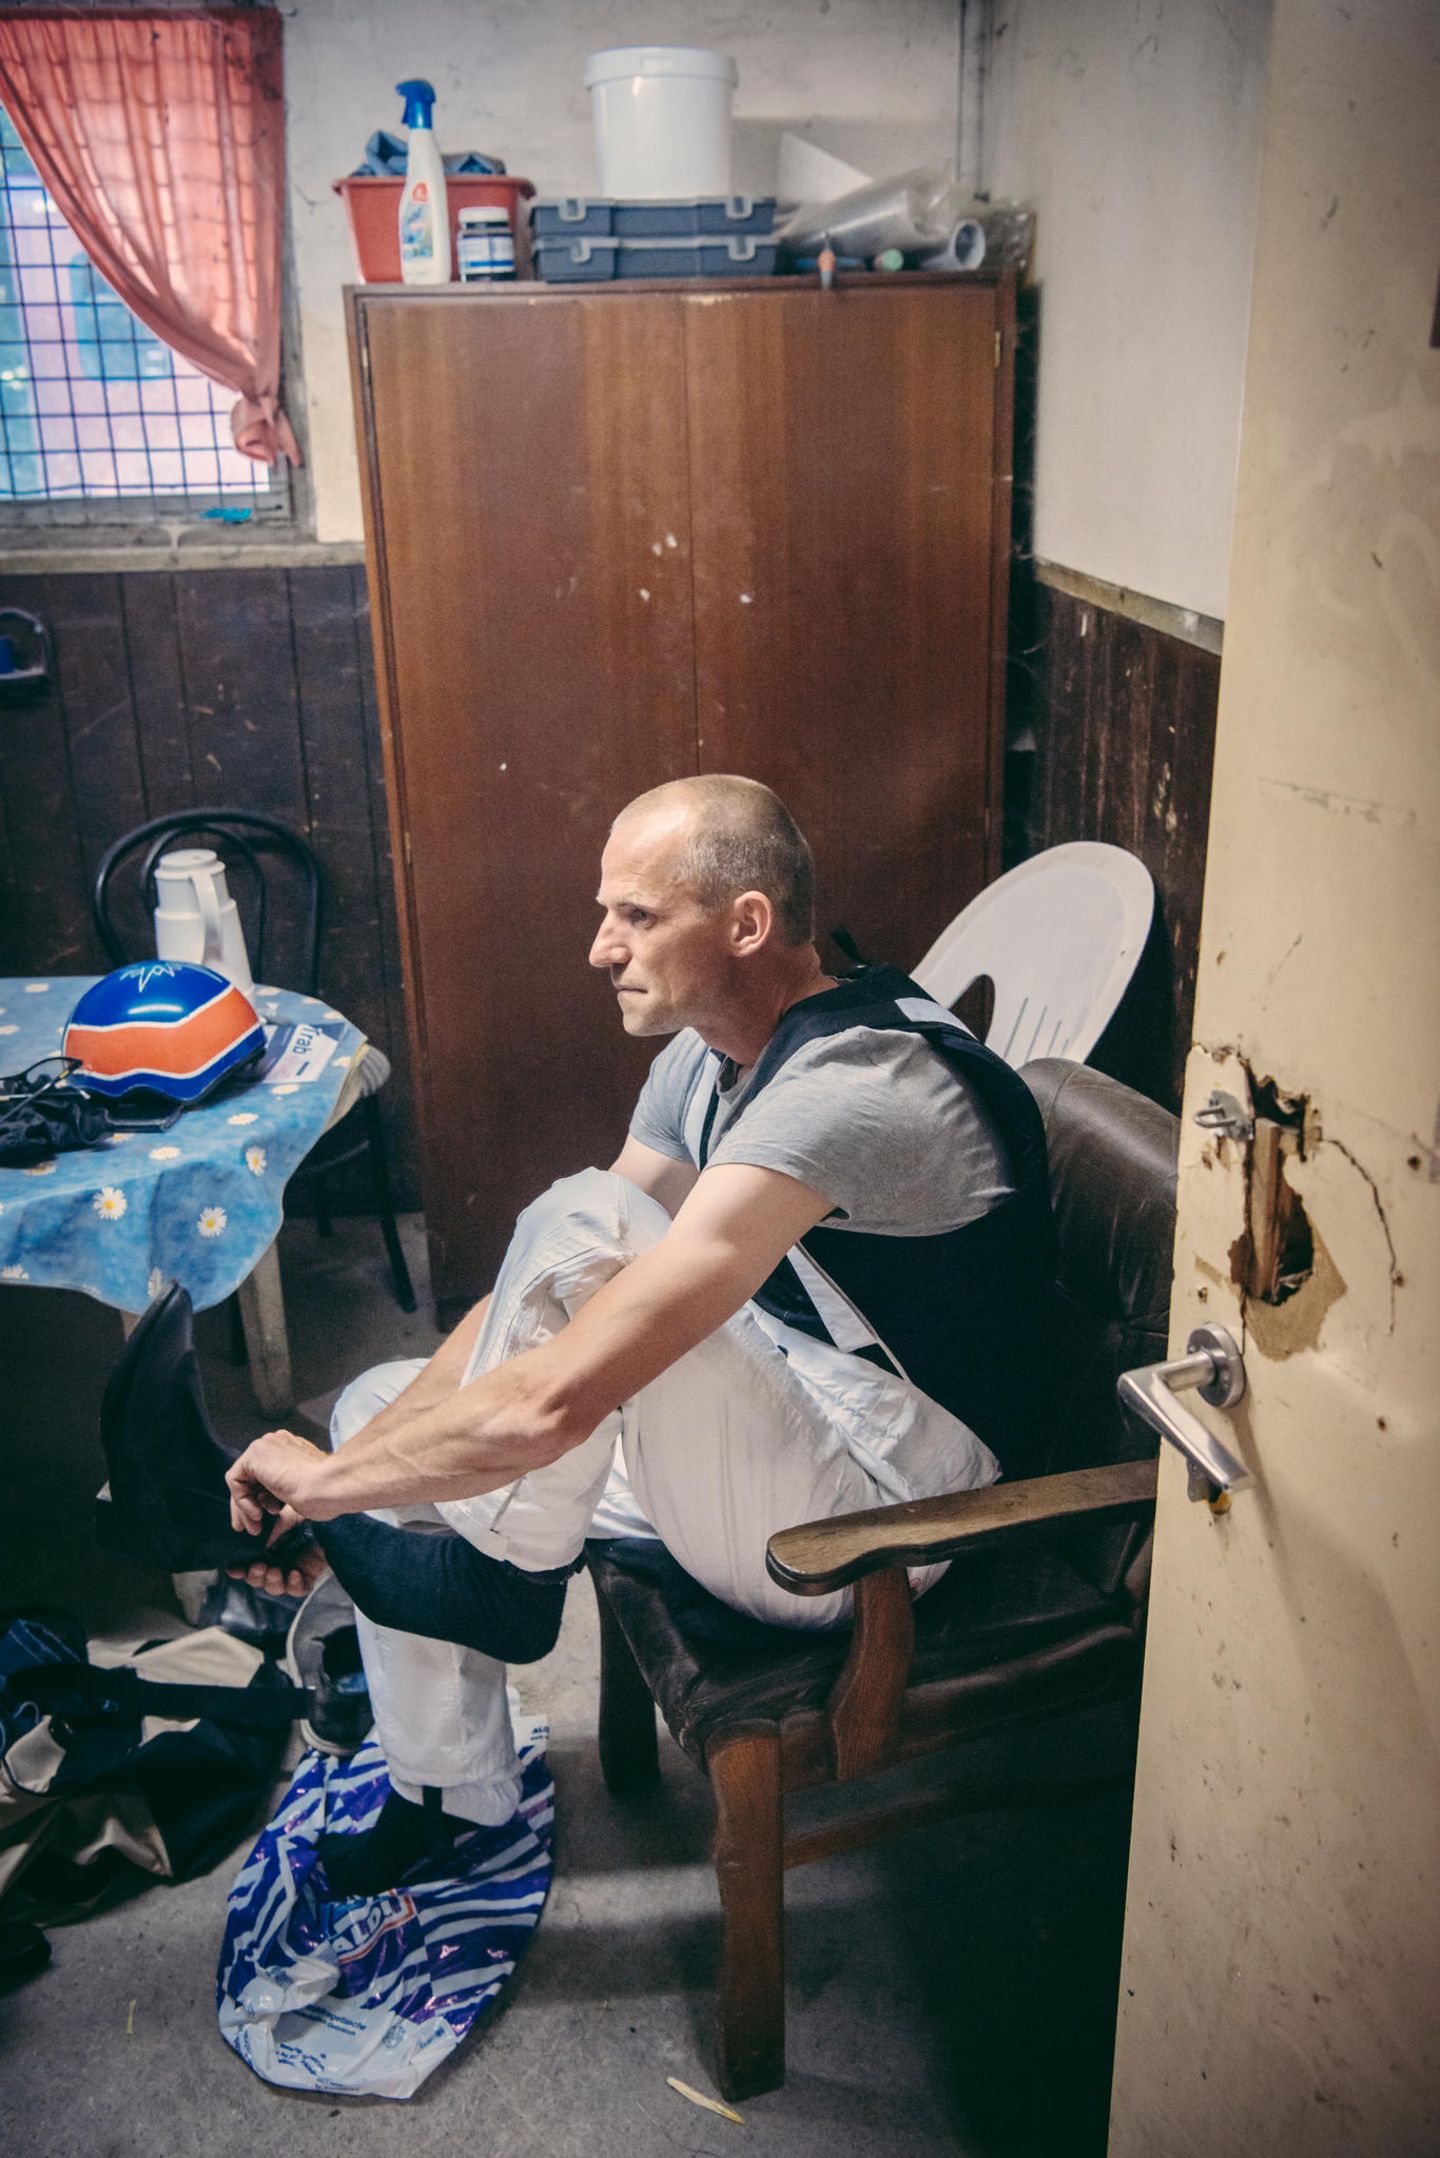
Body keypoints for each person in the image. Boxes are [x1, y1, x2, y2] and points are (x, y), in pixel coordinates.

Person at [224, 776, 1054, 1894]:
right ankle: (448, 1794)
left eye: (637, 916)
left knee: (583, 1239)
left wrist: (332, 1494)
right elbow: (541, 1292)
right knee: (385, 1399)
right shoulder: (711, 1054)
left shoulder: (858, 1084)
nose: (599, 947)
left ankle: (500, 1573)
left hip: (894, 1520)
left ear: (747, 923)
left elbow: (559, 1372)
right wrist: (347, 1460)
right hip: (805, 1419)